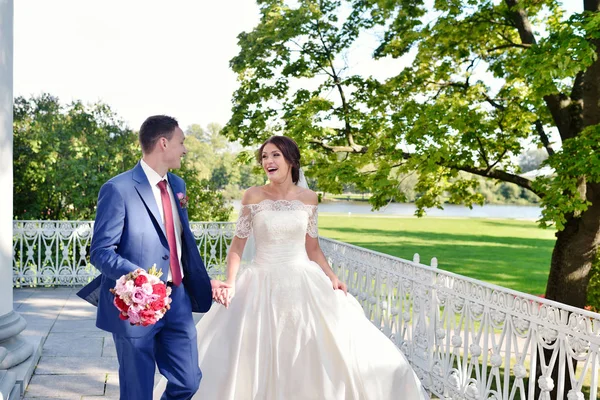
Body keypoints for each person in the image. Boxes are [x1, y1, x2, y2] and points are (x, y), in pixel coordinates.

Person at [154, 135, 429, 400]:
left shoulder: (309, 198)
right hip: (261, 280)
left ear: (291, 160)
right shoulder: (253, 196)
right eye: (264, 156)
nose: (268, 161)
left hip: (303, 280)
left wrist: (332, 276)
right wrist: (231, 282)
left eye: (275, 155)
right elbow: (237, 246)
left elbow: (313, 247)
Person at [77, 115, 229, 400]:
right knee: (137, 391)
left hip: (178, 300)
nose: (184, 149)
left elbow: (178, 244)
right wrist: (140, 279)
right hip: (134, 306)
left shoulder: (178, 185)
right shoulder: (118, 189)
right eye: (181, 142)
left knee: (188, 381)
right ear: (163, 143)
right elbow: (100, 252)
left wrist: (205, 280)